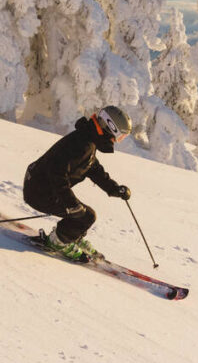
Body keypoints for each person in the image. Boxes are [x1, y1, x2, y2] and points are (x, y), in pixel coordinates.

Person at [23, 106, 133, 260]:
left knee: (85, 214)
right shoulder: (83, 145)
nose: (117, 141)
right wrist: (70, 203)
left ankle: (71, 236)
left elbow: (92, 168)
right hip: (39, 192)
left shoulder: (88, 139)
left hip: (40, 185)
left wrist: (115, 189)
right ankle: (58, 241)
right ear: (110, 128)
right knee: (86, 216)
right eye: (120, 136)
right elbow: (56, 172)